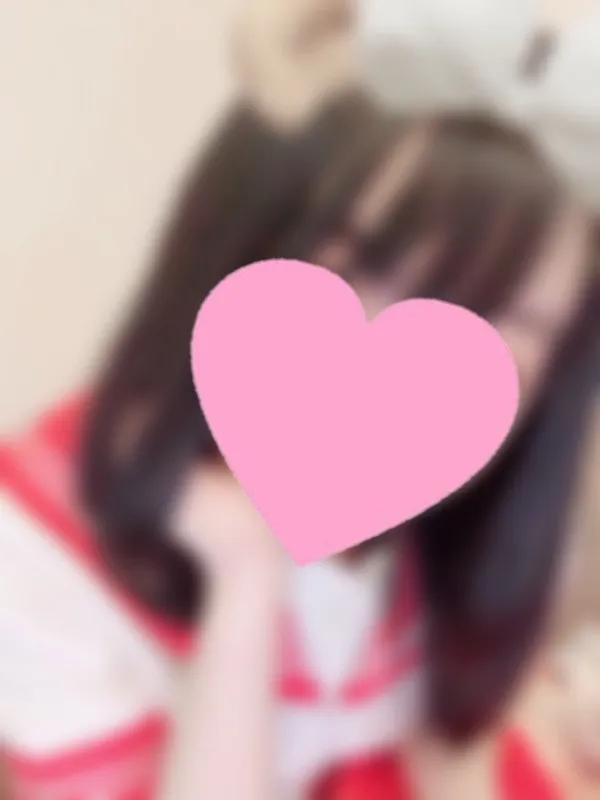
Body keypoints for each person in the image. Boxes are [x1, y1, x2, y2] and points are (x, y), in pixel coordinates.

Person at [1, 3, 599, 799]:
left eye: (511, 324)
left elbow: (460, 759)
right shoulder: (37, 557)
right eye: (370, 268)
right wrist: (246, 587)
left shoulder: (439, 534)